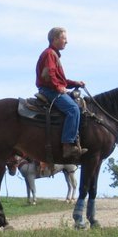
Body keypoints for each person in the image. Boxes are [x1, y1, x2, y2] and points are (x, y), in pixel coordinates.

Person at [35, 27, 87, 161]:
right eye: (64, 38)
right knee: (73, 109)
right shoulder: (50, 54)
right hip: (49, 90)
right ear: (55, 39)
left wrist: (75, 83)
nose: (66, 41)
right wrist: (59, 88)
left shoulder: (53, 54)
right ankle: (67, 145)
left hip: (52, 88)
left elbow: (60, 80)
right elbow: (49, 75)